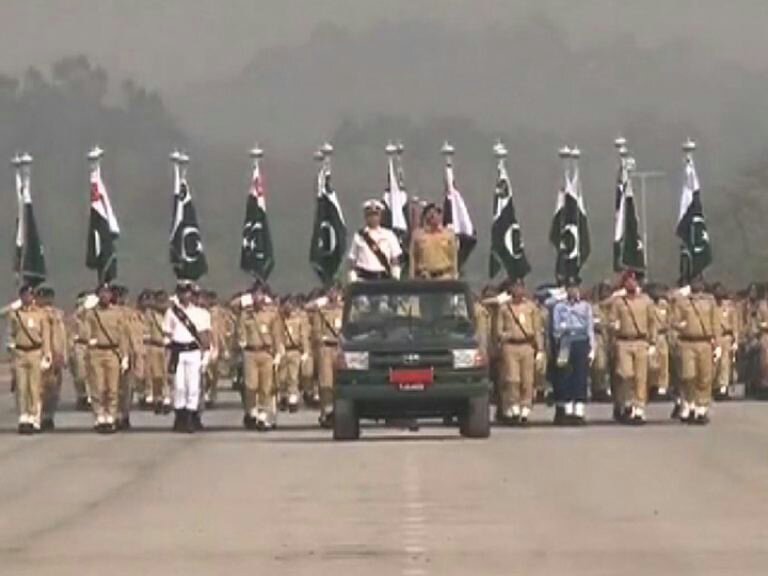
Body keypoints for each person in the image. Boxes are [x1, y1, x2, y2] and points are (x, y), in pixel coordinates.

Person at [671, 276, 722, 424]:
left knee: (704, 376)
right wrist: (680, 325)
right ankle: (689, 402)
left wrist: (717, 344)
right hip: (687, 342)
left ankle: (701, 408)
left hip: (705, 342)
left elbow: (716, 323)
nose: (697, 285)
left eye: (699, 282)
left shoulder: (709, 301)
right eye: (694, 282)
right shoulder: (682, 300)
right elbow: (673, 317)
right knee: (688, 375)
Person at [608, 272, 657, 424]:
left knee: (640, 377)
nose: (631, 283)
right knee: (625, 374)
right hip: (623, 342)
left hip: (641, 341)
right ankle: (627, 403)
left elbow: (652, 322)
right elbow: (609, 316)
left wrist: (653, 342)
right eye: (628, 281)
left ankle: (639, 408)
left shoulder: (646, 301)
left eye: (634, 281)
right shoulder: (618, 302)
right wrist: (613, 326)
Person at [163, 282, 211, 433]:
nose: (185, 295)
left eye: (187, 292)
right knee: (179, 386)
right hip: (178, 351)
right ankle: (180, 416)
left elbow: (205, 336)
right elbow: (167, 334)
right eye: (181, 293)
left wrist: (206, 355)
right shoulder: (171, 313)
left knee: (193, 385)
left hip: (193, 351)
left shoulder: (202, 313)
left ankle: (191, 415)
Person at [495, 278, 543, 425]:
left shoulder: (531, 307)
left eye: (520, 287)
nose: (518, 290)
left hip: (527, 346)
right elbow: (498, 331)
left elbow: (537, 329)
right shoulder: (504, 308)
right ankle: (513, 406)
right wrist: (508, 334)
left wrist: (540, 349)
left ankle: (525, 408)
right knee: (512, 379)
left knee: (527, 380)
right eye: (515, 287)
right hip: (510, 346)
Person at [85, 283, 129, 433]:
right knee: (98, 386)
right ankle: (99, 415)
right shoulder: (91, 313)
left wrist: (125, 355)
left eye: (107, 293)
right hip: (97, 352)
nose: (104, 295)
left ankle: (111, 415)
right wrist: (89, 340)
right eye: (102, 293)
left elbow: (123, 335)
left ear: (111, 295)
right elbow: (85, 331)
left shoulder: (118, 313)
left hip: (112, 352)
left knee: (112, 387)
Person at [237, 284, 283, 430]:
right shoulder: (246, 314)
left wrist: (278, 353)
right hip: (250, 352)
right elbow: (240, 331)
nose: (257, 297)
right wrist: (242, 342)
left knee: (266, 386)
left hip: (266, 353)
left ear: (265, 296)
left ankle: (263, 413)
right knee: (251, 386)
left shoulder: (272, 313)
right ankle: (251, 410)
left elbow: (276, 334)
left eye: (260, 294)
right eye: (254, 294)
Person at [7, 285, 51, 434]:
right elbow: (10, 332)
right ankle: (23, 416)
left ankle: (34, 416)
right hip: (20, 353)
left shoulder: (40, 314)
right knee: (21, 387)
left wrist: (47, 354)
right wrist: (11, 345)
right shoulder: (15, 314)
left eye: (30, 295)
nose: (28, 298)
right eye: (25, 295)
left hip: (35, 352)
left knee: (35, 387)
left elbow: (45, 335)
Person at [551, 277, 595, 425]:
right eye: (570, 288)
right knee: (565, 375)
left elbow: (590, 328)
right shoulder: (559, 307)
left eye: (575, 287)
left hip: (581, 341)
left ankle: (579, 410)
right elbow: (555, 328)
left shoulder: (585, 306)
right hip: (565, 343)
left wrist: (592, 348)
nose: (573, 290)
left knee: (580, 375)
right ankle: (568, 409)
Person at [310, 285, 344, 427]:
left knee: (341, 381)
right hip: (326, 348)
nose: (334, 294)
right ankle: (327, 412)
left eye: (337, 291)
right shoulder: (321, 311)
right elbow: (316, 332)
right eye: (331, 291)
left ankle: (341, 411)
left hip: (341, 348)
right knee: (325, 382)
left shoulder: (346, 309)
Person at [348, 200, 403, 282]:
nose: (373, 218)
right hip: (363, 278)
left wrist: (395, 277)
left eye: (375, 215)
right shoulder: (359, 236)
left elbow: (395, 259)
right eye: (370, 215)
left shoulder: (389, 235)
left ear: (380, 216)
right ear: (365, 217)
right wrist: (353, 279)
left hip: (383, 278)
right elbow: (352, 259)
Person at [37, 286, 67, 431]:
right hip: (39, 356)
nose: (47, 300)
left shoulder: (58, 315)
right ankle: (38, 416)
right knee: (37, 389)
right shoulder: (35, 314)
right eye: (44, 297)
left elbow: (62, 336)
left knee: (53, 390)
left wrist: (63, 355)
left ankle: (49, 416)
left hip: (56, 356)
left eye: (49, 297)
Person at [277, 296, 311, 413]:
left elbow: (303, 335)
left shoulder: (298, 319)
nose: (288, 307)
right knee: (281, 377)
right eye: (285, 304)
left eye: (290, 304)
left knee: (293, 376)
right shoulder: (279, 320)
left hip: (294, 350)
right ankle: (282, 396)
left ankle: (293, 398)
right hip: (282, 350)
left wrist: (306, 351)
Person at [409, 203, 458, 280]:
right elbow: (413, 258)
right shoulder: (417, 235)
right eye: (431, 214)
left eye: (437, 213)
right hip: (424, 277)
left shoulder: (449, 234)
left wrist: (454, 275)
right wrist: (412, 277)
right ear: (426, 217)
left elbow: (454, 257)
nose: (434, 216)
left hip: (444, 277)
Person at [144, 290, 171, 414]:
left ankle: (167, 398)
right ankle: (157, 397)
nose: (162, 303)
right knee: (156, 375)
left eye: (163, 300)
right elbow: (146, 330)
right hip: (154, 346)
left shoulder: (172, 313)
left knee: (169, 374)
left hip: (169, 347)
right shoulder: (150, 314)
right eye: (159, 300)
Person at [713, 283, 740, 400]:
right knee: (714, 364)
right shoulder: (711, 306)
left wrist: (736, 341)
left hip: (726, 337)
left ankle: (723, 388)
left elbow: (735, 325)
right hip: (714, 337)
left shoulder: (729, 307)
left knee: (725, 363)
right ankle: (713, 386)